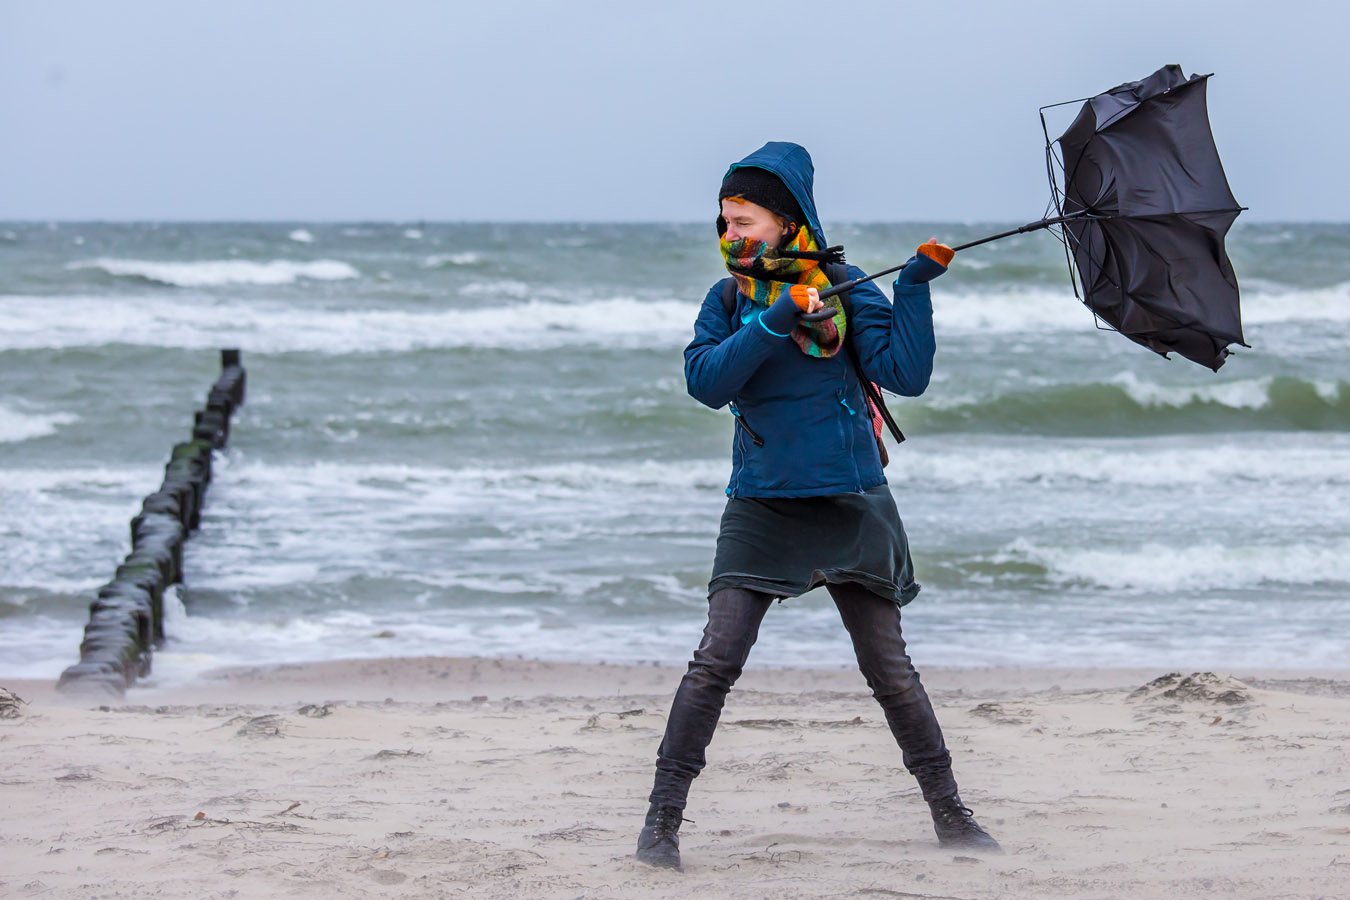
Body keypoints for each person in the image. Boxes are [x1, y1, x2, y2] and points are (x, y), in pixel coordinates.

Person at [635, 141, 1001, 870]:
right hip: (764, 503)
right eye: (724, 221)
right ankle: (661, 826)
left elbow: (906, 374)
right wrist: (774, 320)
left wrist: (918, 286)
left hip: (851, 500)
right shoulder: (731, 298)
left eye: (743, 221)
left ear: (784, 219)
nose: (730, 235)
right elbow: (706, 382)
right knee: (714, 663)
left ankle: (952, 816)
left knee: (890, 672)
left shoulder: (843, 282)